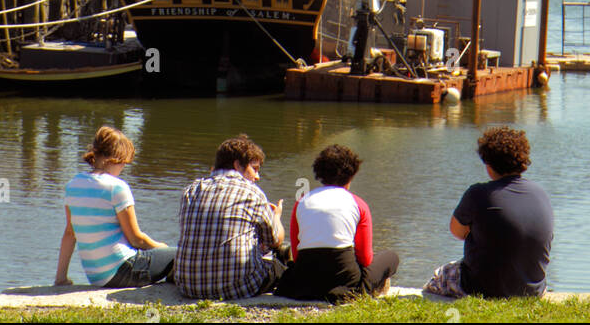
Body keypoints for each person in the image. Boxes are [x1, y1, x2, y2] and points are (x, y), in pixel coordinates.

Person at [424, 126, 553, 299]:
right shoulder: (541, 193)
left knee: (440, 276)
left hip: (482, 290)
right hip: (532, 291)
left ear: (488, 164)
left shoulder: (477, 194)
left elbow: (457, 232)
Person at [274, 144, 399, 304]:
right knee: (391, 257)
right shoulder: (358, 204)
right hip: (346, 282)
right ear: (351, 175)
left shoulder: (301, 202)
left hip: (305, 280)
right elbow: (365, 259)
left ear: (319, 174)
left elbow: (297, 255)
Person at [54, 125, 175, 288]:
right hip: (124, 271)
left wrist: (61, 278)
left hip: (96, 277)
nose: (123, 168)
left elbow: (70, 233)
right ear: (115, 159)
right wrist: (163, 249)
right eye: (124, 163)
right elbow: (136, 239)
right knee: (181, 255)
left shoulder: (73, 185)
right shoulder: (117, 187)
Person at [174, 134, 286, 300]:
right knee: (280, 262)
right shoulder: (252, 192)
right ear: (237, 165)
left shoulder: (191, 190)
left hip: (189, 286)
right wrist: (276, 216)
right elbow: (275, 239)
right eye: (254, 169)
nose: (257, 176)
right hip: (236, 287)